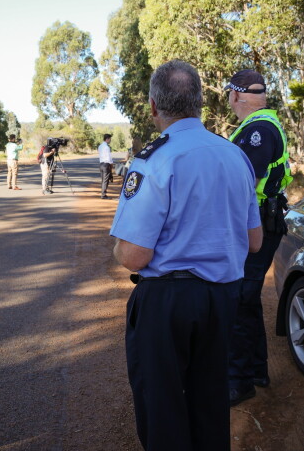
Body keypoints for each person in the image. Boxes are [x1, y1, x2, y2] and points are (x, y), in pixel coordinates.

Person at [110, 60, 263, 451]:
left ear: (153, 107)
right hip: (223, 297)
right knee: (210, 400)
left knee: (161, 406)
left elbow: (133, 256)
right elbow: (255, 241)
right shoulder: (235, 156)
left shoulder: (153, 159)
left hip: (168, 303)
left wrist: (117, 245)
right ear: (199, 104)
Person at [224, 69, 292, 406]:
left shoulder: (258, 131)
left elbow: (242, 186)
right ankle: (257, 370)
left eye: (229, 96)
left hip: (258, 225)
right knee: (247, 298)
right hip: (264, 221)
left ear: (236, 96)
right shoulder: (263, 125)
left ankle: (239, 381)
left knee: (238, 298)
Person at [98, 133, 114, 199]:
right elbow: (109, 158)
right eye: (110, 139)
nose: (110, 140)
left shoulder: (100, 146)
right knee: (106, 180)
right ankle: (103, 195)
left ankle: (103, 193)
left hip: (101, 164)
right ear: (107, 139)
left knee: (103, 180)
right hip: (106, 164)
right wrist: (111, 165)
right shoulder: (107, 147)